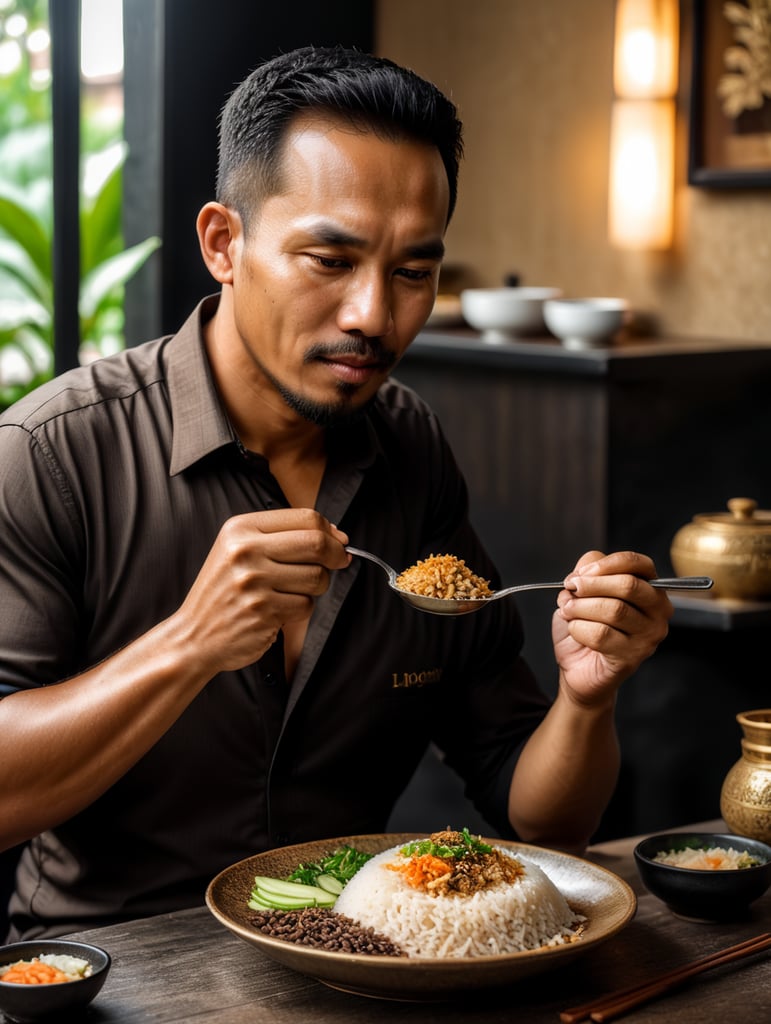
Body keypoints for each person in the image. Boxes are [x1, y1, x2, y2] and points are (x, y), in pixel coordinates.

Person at [0, 45, 672, 942]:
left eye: (412, 273)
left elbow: (542, 822)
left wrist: (586, 697)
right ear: (223, 244)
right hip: (109, 974)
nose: (372, 315)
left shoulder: (411, 449)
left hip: (361, 961)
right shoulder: (52, 451)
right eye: (329, 258)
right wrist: (190, 644)